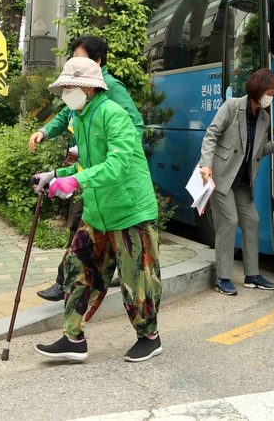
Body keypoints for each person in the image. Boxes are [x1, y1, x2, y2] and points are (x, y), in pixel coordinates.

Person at [33, 57, 163, 364]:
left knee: (137, 279)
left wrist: (75, 180)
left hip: (131, 211)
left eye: (69, 87)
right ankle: (72, 338)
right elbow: (86, 165)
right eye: (63, 87)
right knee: (79, 271)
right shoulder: (79, 118)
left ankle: (149, 337)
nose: (65, 93)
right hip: (97, 210)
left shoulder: (113, 115)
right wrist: (56, 176)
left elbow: (117, 166)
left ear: (88, 89)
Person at [28, 35, 145, 303]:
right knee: (82, 229)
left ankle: (71, 283)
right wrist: (44, 133)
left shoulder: (111, 90)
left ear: (97, 62)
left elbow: (133, 126)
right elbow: (64, 115)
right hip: (87, 171)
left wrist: (119, 156)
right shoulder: (77, 93)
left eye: (80, 60)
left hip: (110, 177)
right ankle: (72, 288)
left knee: (86, 228)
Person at [199, 69, 274, 296]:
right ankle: (223, 277)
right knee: (229, 222)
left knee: (252, 221)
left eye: (273, 94)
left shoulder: (264, 118)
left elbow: (259, 150)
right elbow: (211, 134)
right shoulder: (232, 106)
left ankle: (252, 275)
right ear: (258, 90)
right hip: (220, 176)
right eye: (269, 92)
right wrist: (205, 164)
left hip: (242, 181)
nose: (271, 97)